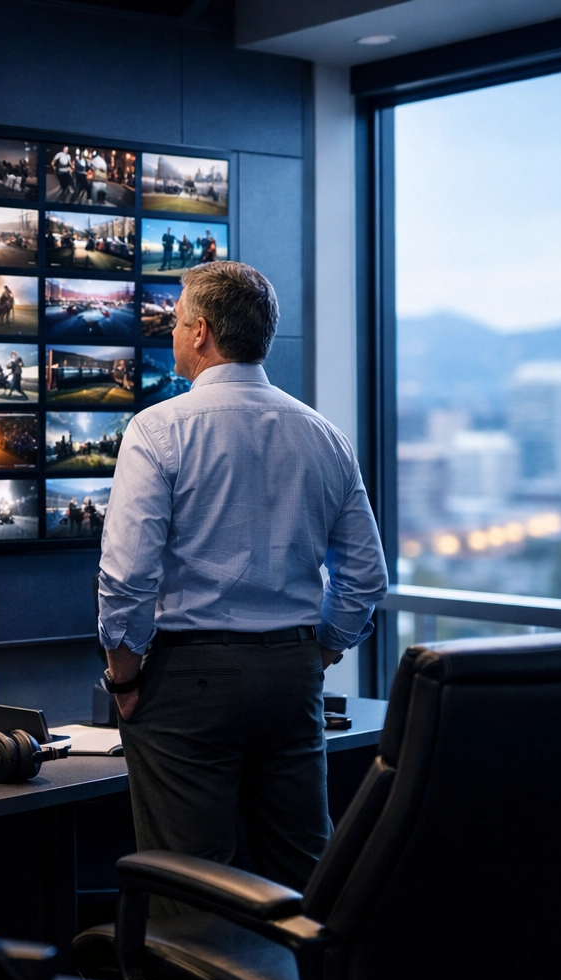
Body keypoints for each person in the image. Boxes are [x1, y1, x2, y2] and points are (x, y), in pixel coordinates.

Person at [98, 260, 387, 899]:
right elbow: (365, 576)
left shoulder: (157, 429)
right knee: (303, 874)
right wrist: (318, 652)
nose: (171, 334)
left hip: (187, 683)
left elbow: (126, 580)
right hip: (291, 677)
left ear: (200, 332)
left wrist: (124, 680)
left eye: (175, 323)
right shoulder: (324, 434)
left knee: (192, 881)